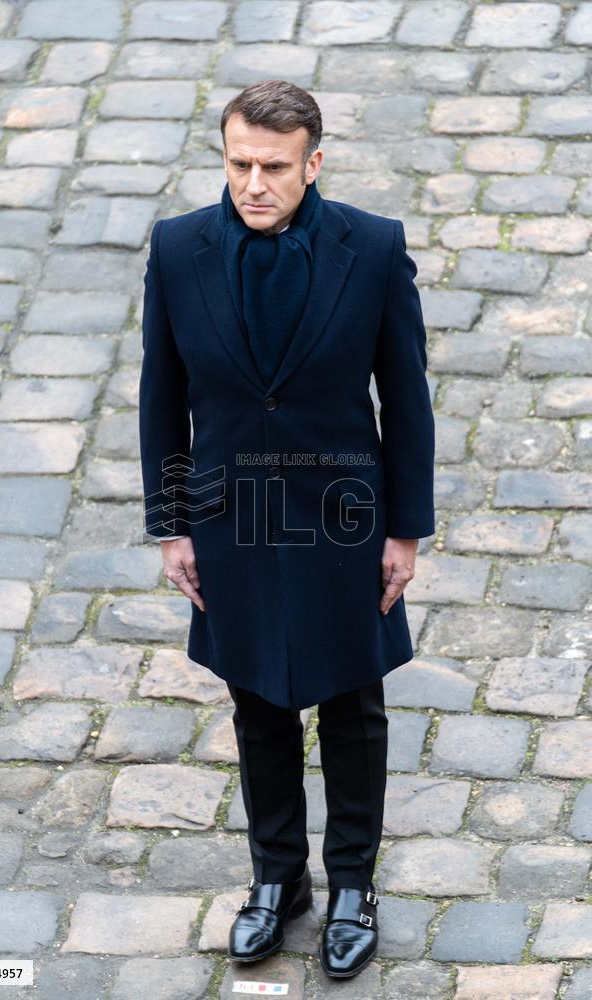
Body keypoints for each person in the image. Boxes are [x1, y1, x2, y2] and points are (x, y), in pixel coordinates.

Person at [139, 79, 435, 979]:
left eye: (273, 167)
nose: (252, 184)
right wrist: (171, 525)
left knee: (352, 706)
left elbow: (407, 398)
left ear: (315, 163)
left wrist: (406, 530)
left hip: (344, 517)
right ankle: (279, 880)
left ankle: (353, 884)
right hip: (232, 519)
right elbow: (163, 396)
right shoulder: (179, 247)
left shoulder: (374, 248)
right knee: (257, 703)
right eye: (238, 165)